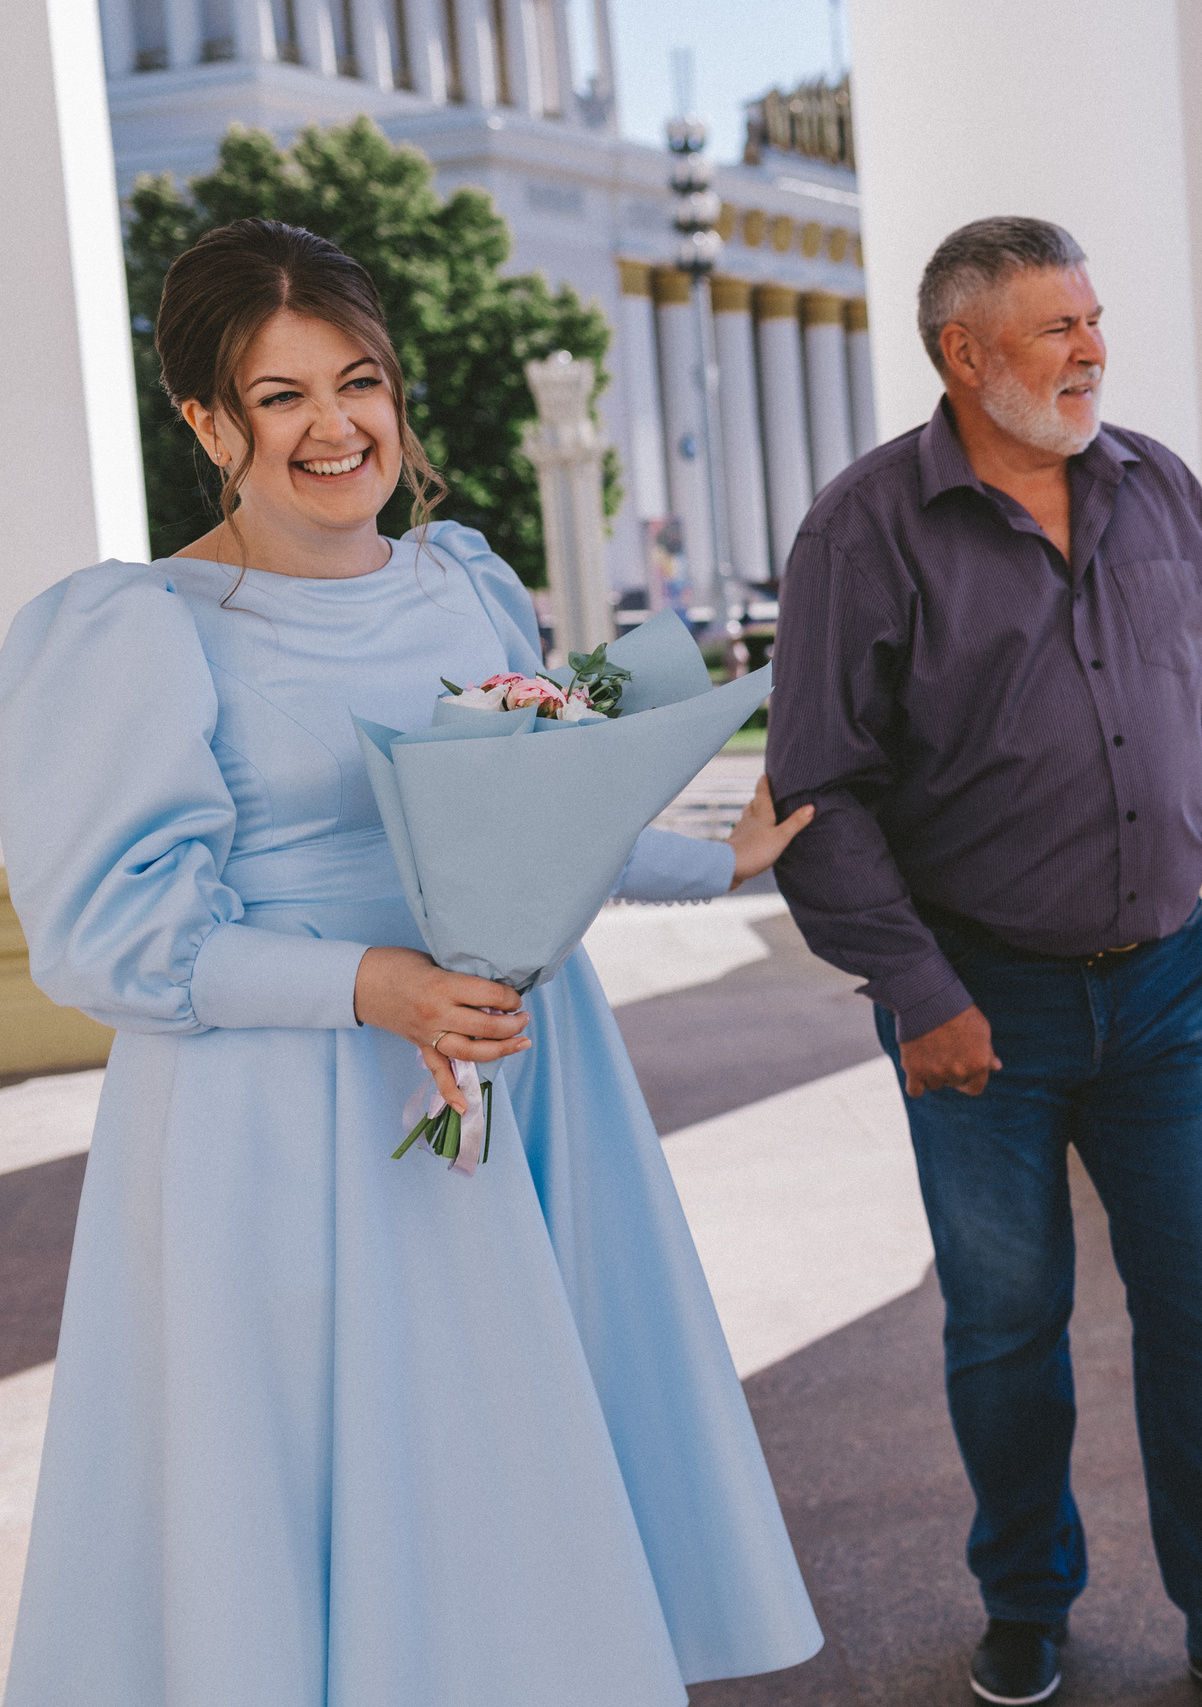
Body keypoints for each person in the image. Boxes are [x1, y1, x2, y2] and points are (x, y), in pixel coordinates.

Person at [0, 220, 822, 1705]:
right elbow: (110, 938)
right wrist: (372, 986)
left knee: (502, 1440)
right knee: (331, 1458)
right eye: (281, 394)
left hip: (514, 1074)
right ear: (205, 422)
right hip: (284, 1123)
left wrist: (717, 858)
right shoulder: (138, 631)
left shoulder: (462, 581)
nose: (337, 425)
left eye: (360, 379)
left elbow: (531, 811)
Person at [765, 217, 1202, 1707]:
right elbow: (818, 791)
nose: (1092, 348)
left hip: (1170, 986)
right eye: (1055, 328)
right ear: (964, 353)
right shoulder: (863, 531)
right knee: (1008, 1322)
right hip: (984, 997)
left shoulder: (1161, 488)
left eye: (1094, 319)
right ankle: (1026, 1599)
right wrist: (920, 988)